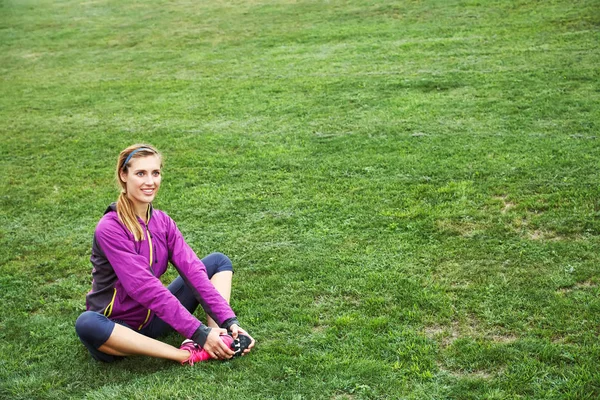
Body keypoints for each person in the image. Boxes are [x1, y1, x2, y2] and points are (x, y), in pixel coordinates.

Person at [75, 144, 255, 365]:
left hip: (154, 318)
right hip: (119, 329)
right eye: (140, 173)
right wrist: (197, 332)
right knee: (87, 323)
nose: (150, 182)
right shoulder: (110, 228)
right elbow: (144, 287)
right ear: (124, 175)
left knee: (218, 262)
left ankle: (219, 337)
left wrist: (229, 321)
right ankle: (186, 354)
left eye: (155, 173)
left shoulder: (162, 222)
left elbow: (193, 272)